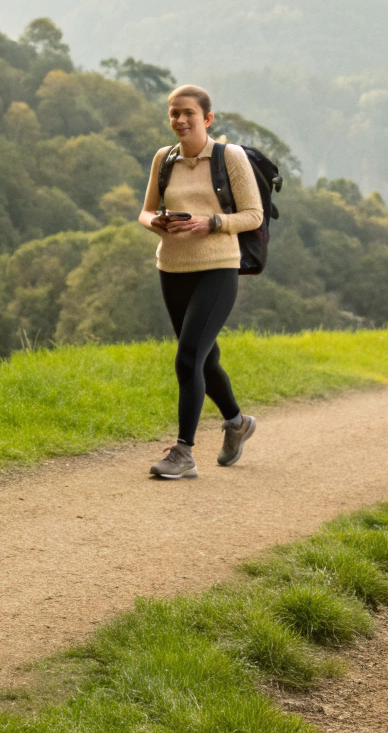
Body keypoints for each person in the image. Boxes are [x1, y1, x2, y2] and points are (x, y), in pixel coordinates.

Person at [137, 84, 264, 480]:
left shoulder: (230, 158)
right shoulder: (165, 158)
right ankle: (237, 422)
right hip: (172, 269)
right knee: (204, 360)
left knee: (188, 356)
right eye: (174, 113)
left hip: (218, 268)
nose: (179, 120)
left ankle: (183, 452)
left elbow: (254, 215)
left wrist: (211, 223)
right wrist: (155, 223)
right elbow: (143, 212)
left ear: (207, 119)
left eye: (188, 113)